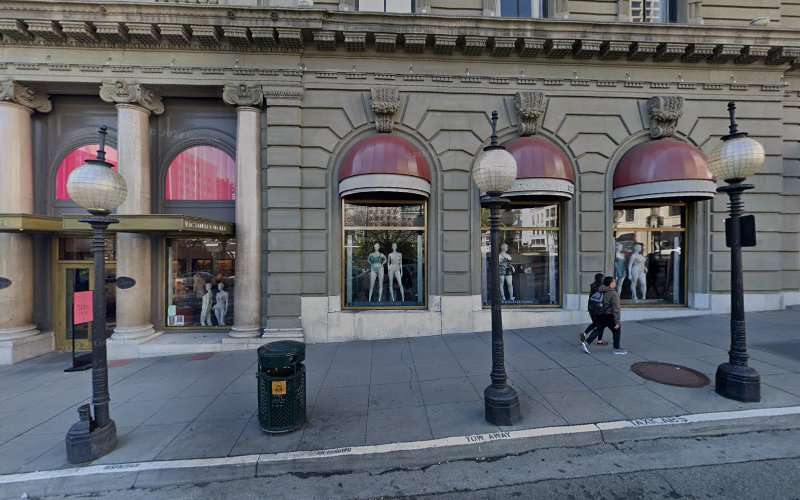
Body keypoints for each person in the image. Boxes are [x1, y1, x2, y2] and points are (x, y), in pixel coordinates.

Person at [581, 276, 627, 355]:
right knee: (617, 330)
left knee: (599, 329)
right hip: (609, 315)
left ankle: (586, 343)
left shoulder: (601, 290)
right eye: (614, 282)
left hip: (600, 314)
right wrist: (617, 322)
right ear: (610, 284)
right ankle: (616, 349)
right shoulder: (613, 293)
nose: (615, 283)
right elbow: (616, 309)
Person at [580, 273, 607, 346]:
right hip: (598, 309)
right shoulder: (602, 287)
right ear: (601, 279)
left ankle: (584, 334)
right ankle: (599, 341)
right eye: (603, 278)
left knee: (595, 323)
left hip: (591, 308)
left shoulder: (593, 285)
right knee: (601, 324)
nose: (604, 279)